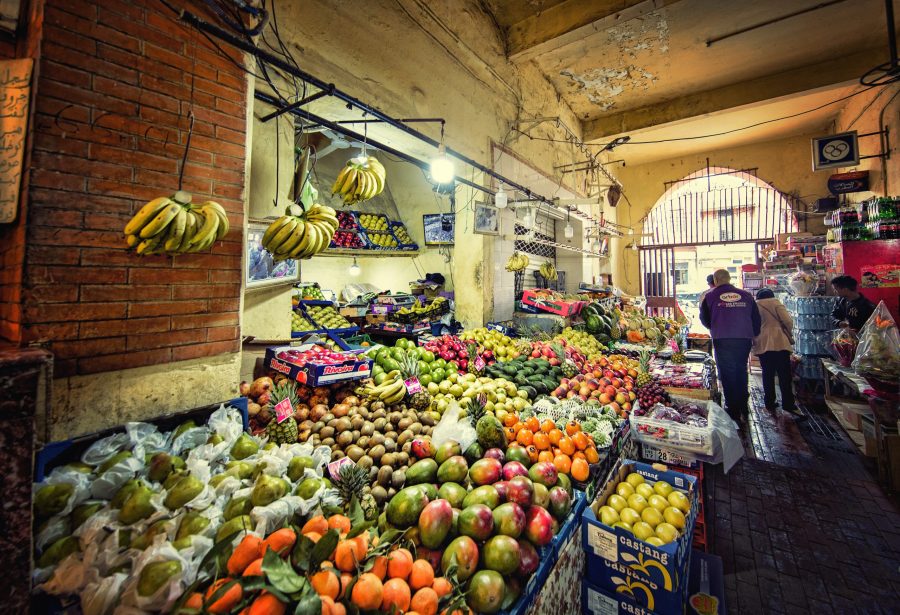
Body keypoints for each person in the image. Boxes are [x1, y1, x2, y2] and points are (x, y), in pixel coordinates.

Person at [700, 269, 761, 423]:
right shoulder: (747, 296)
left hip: (722, 338)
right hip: (743, 338)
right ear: (729, 279)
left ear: (715, 280)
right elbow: (756, 319)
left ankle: (732, 407)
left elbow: (705, 319)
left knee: (726, 372)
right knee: (741, 369)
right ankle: (743, 404)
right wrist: (751, 333)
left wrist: (716, 326)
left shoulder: (710, 296)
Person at [753, 288, 804, 420]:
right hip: (779, 342)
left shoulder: (755, 305)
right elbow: (787, 321)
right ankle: (788, 403)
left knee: (767, 373)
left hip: (763, 342)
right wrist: (786, 330)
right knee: (784, 374)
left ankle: (769, 401)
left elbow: (752, 324)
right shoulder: (776, 303)